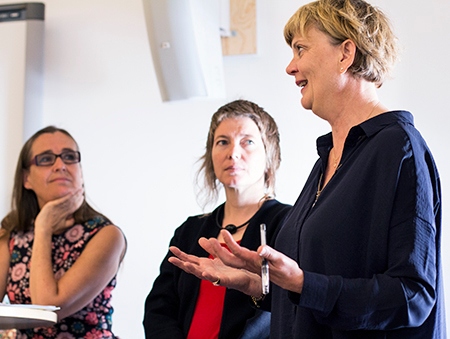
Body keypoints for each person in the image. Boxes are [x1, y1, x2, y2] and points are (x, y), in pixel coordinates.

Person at [168, 0, 445, 338]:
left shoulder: (398, 148)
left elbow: (412, 298)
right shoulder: (327, 158)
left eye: (300, 48)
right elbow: (313, 293)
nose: (290, 66)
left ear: (345, 54)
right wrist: (256, 284)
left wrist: (301, 282)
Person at [143, 99, 291, 338]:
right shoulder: (190, 231)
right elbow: (159, 309)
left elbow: (291, 305)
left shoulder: (289, 223)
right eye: (223, 142)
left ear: (269, 155)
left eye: (248, 142)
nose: (233, 153)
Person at [0, 126, 127, 338]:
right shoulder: (13, 232)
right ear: (26, 179)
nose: (61, 166)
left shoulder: (106, 236)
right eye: (46, 159)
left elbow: (46, 309)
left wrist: (43, 227)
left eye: (69, 157)